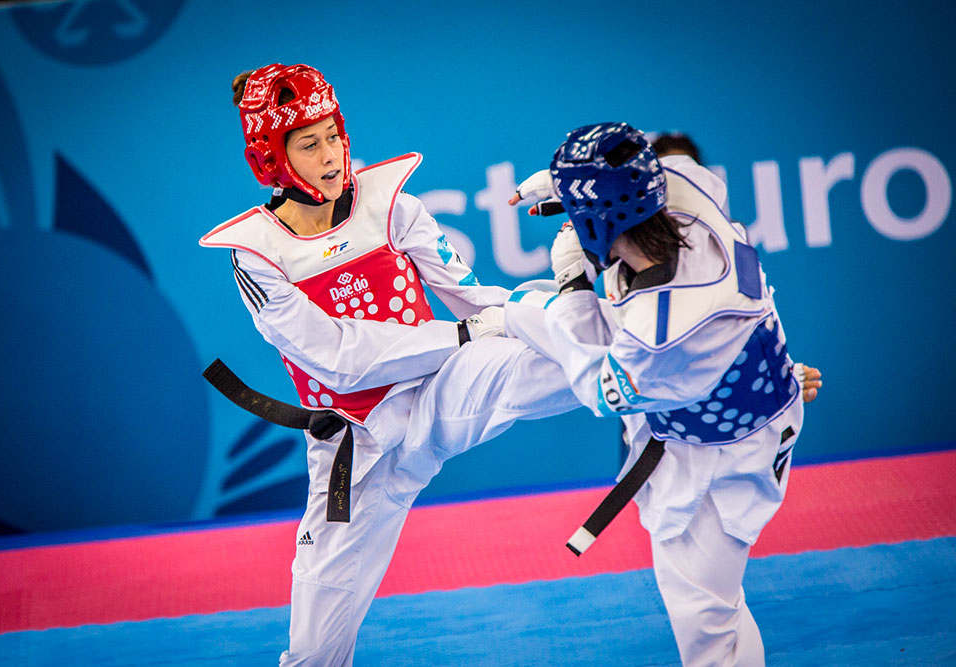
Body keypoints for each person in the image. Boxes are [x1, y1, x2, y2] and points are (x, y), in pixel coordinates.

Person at [199, 63, 582, 666]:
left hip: (438, 394)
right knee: (316, 650)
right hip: (356, 444)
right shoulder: (257, 254)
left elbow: (477, 302)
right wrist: (463, 332)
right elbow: (338, 359)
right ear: (272, 159)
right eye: (308, 143)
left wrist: (559, 297)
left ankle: (665, 352)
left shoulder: (393, 204)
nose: (330, 155)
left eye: (333, 135)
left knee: (560, 356)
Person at [506, 122, 815, 665]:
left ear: (602, 222)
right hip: (747, 405)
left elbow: (601, 391)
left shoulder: (666, 326)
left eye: (581, 217)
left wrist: (573, 286)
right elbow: (646, 163)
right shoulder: (689, 188)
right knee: (717, 603)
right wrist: (569, 182)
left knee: (706, 620)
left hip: (722, 458)